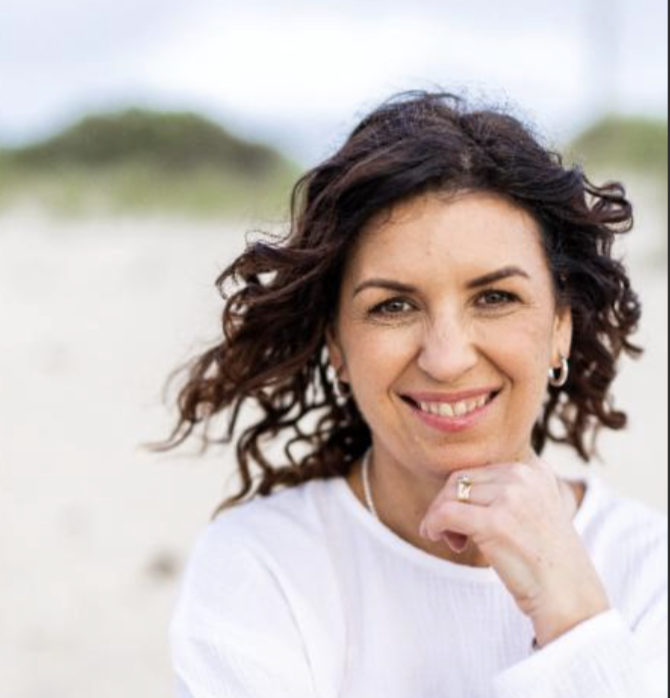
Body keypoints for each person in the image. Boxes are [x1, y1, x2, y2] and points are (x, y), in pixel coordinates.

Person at [165, 92, 668, 697]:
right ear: (337, 345)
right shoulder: (261, 564)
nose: (447, 357)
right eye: (393, 306)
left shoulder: (650, 569)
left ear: (560, 326)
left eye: (495, 297)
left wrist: (576, 622)